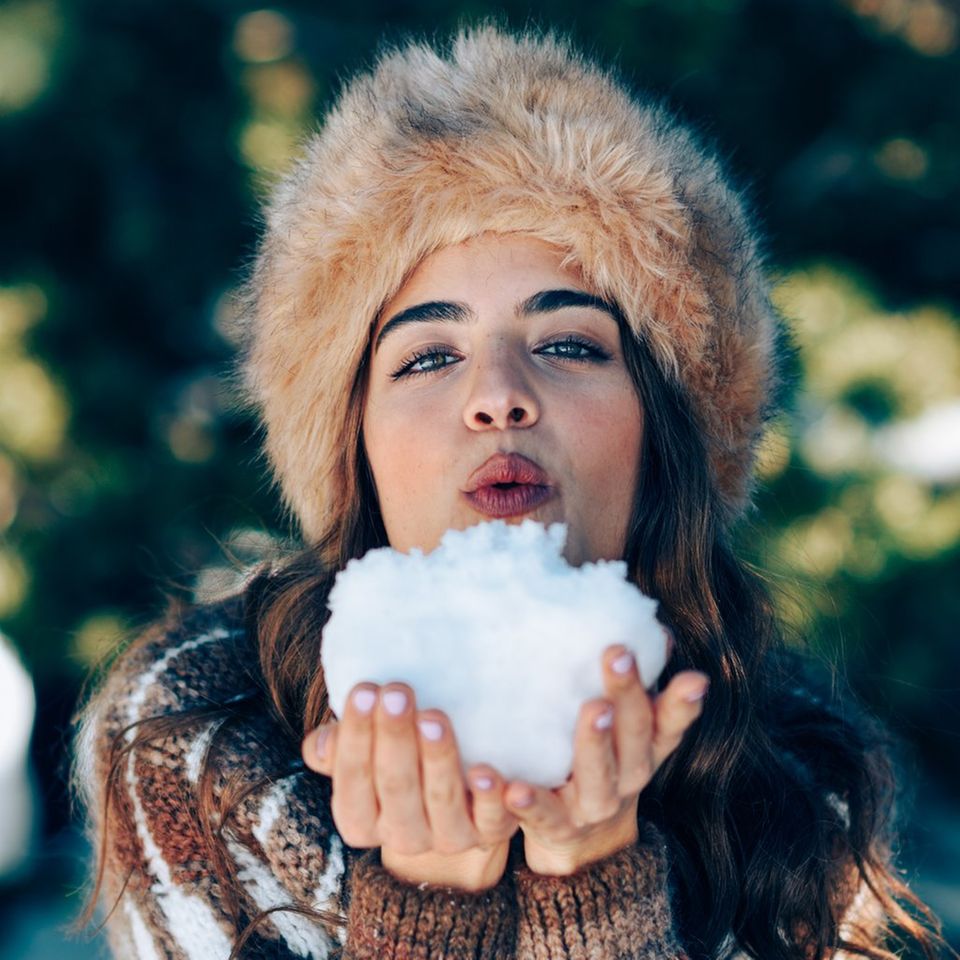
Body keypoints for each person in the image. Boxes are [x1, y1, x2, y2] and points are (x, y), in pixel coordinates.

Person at [75, 23, 949, 960]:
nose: (498, 397)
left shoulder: (800, 781)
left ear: (665, 434)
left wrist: (593, 885)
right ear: (354, 445)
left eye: (569, 344)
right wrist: (429, 906)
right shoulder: (195, 738)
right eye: (429, 355)